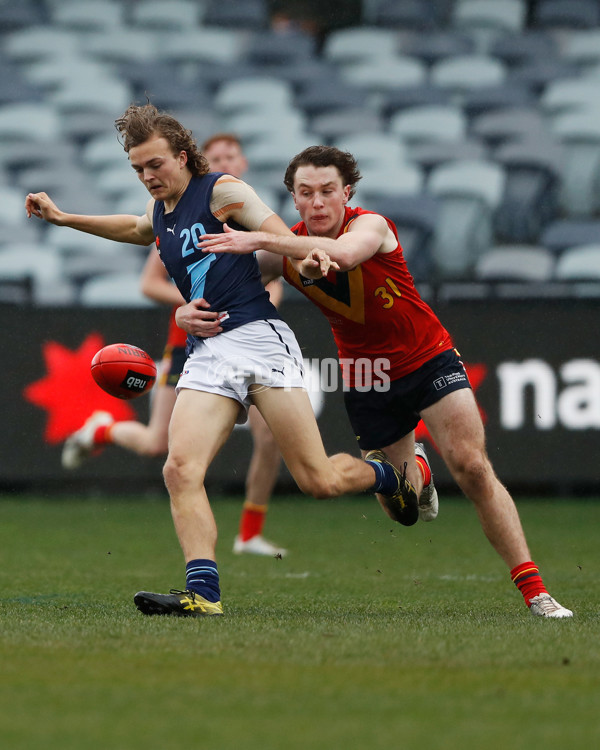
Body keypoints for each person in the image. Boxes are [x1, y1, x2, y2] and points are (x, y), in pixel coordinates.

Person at [25, 104, 418, 619]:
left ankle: (389, 477)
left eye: (155, 165)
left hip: (259, 338)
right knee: (179, 467)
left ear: (183, 157)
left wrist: (310, 255)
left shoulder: (221, 190)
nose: (148, 177)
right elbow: (133, 228)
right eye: (138, 169)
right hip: (208, 351)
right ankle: (203, 593)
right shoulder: (160, 213)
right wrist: (63, 218)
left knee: (317, 482)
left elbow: (278, 231)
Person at [187, 145, 573, 619]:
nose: (318, 202)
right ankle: (419, 471)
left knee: (472, 466)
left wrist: (262, 241)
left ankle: (535, 590)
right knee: (404, 511)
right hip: (366, 377)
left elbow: (344, 256)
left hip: (426, 356)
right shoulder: (284, 251)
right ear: (293, 200)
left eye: (328, 191)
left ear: (346, 192)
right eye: (305, 193)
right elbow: (221, 287)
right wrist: (187, 310)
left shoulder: (370, 226)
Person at [61, 132, 287, 557]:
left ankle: (250, 532)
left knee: (272, 437)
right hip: (190, 341)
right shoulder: (176, 212)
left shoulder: (241, 210)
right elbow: (149, 274)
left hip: (247, 338)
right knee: (158, 445)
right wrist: (190, 306)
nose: (224, 163)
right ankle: (101, 428)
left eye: (230, 156)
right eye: (216, 156)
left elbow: (276, 266)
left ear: (242, 164)